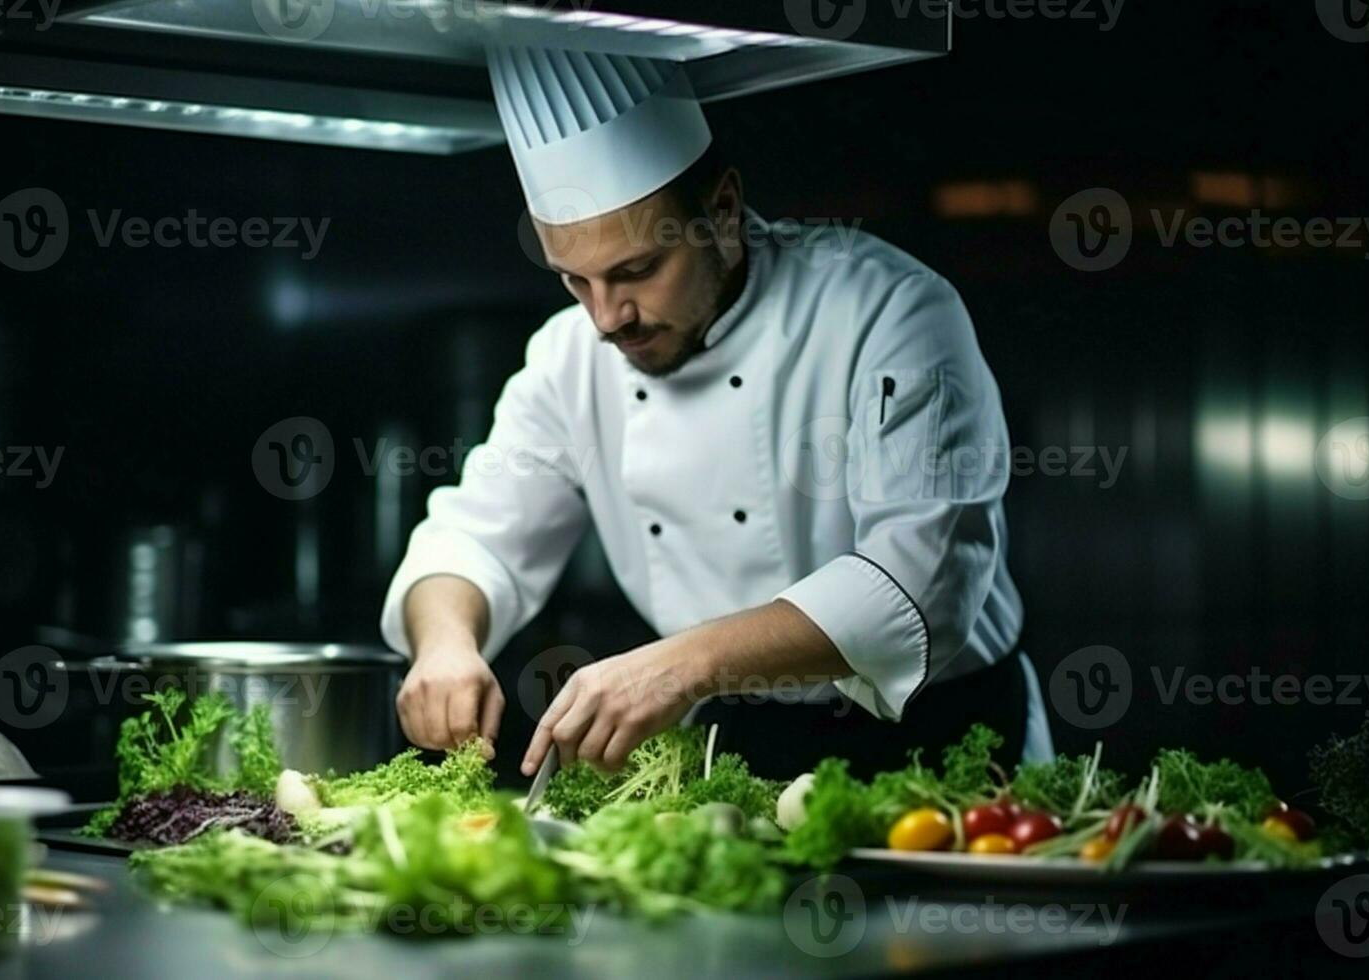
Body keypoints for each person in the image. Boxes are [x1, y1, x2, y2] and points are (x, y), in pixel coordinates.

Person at [382, 45, 1053, 781]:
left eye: (637, 270)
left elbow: (921, 582)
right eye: (575, 279)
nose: (608, 317)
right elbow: (473, 537)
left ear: (722, 210)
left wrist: (685, 663)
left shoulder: (887, 311)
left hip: (942, 737)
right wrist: (446, 643)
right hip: (736, 744)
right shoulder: (569, 356)